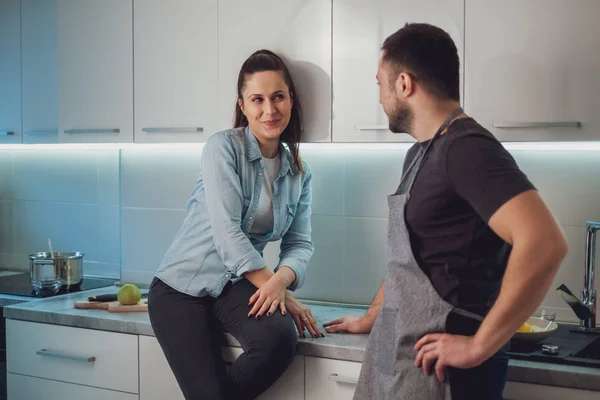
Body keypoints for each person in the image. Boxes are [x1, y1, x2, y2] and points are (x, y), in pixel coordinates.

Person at [324, 23, 568, 400]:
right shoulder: (422, 152)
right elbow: (411, 259)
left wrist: (479, 346)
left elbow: (545, 243)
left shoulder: (467, 148)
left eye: (380, 84)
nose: (380, 97)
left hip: (442, 373)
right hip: (400, 355)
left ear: (404, 84)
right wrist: (373, 317)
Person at [148, 49, 323, 400]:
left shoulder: (299, 173)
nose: (269, 110)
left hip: (235, 284)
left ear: (291, 101)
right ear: (243, 105)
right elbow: (228, 234)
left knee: (279, 339)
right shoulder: (222, 148)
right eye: (257, 99)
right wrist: (282, 295)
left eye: (278, 97)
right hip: (179, 290)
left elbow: (299, 244)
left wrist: (281, 283)